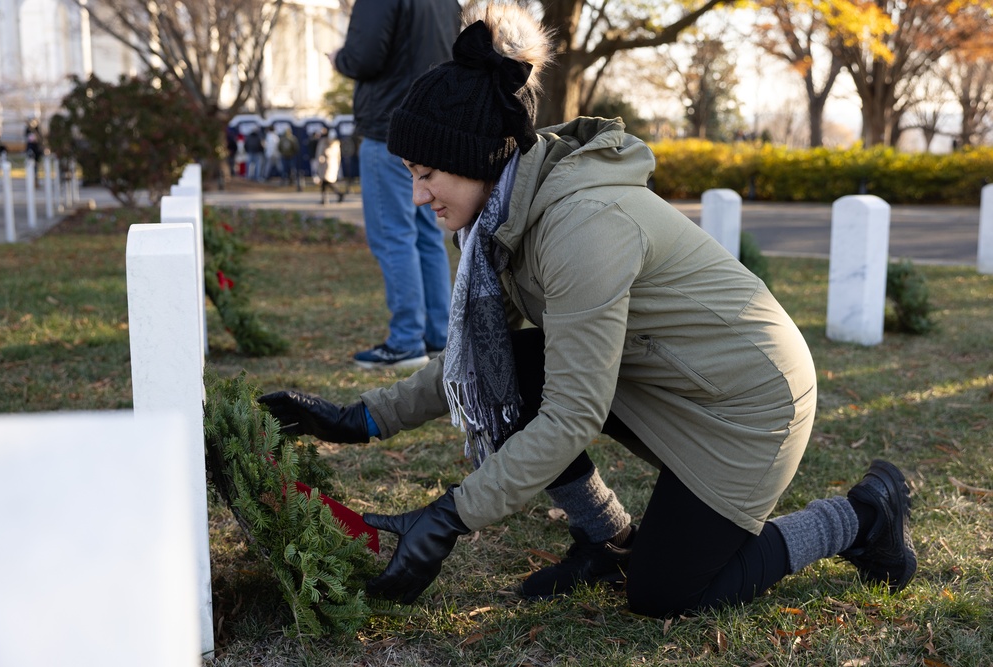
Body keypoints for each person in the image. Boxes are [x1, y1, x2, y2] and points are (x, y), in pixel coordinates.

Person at [260, 3, 916, 616]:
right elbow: (479, 364)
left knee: (666, 593)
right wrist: (361, 419)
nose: (416, 194)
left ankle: (861, 516)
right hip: (671, 376)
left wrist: (446, 516)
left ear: (478, 157)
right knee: (510, 370)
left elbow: (573, 412)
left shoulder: (579, 227)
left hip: (747, 402)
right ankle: (607, 540)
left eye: (428, 172)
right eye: (411, 171)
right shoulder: (504, 216)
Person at [330, 0, 459, 369]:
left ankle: (405, 340)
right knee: (425, 234)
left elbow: (364, 57)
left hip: (388, 127)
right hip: (428, 126)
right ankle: (439, 335)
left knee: (393, 235)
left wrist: (339, 58)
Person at [313, 128, 344, 204]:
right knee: (324, 182)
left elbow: (329, 153)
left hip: (329, 165)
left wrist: (323, 156)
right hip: (325, 165)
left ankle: (338, 193)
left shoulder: (333, 144)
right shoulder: (324, 142)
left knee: (328, 181)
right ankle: (325, 199)